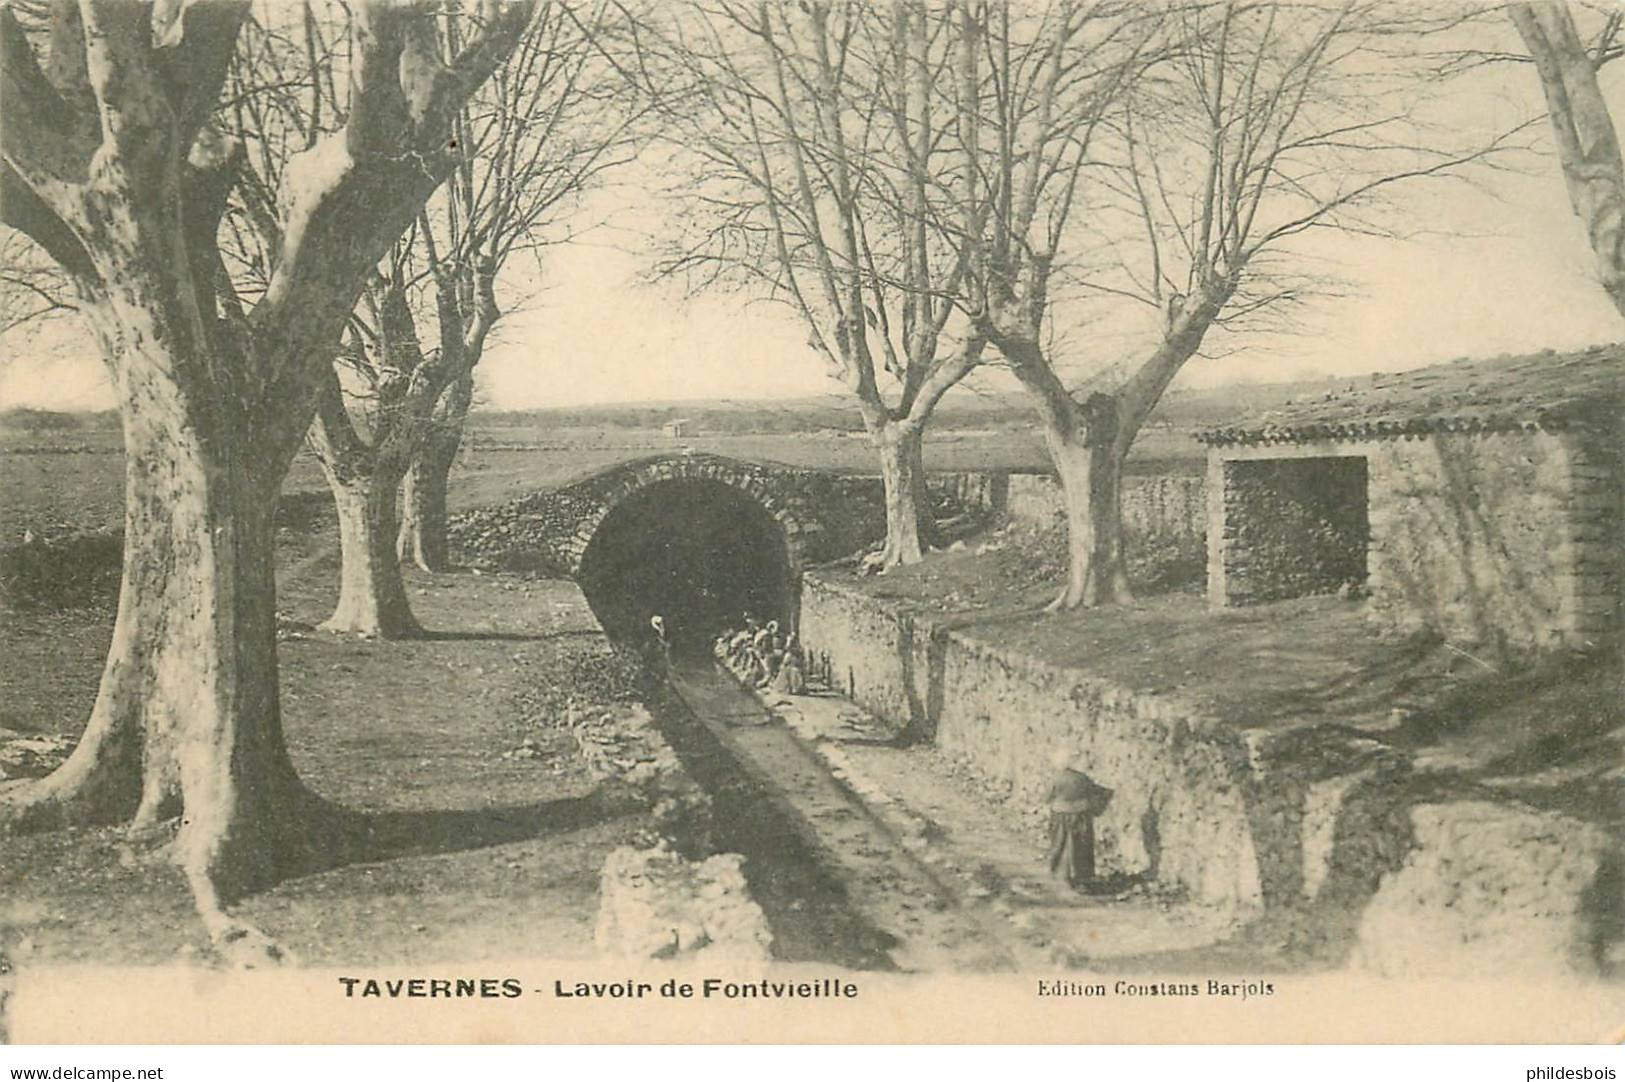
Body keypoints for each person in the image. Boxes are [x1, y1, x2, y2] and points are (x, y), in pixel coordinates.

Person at [1044, 750, 1112, 892]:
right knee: (1081, 846)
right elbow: (1096, 791)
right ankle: (1082, 877)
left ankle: (1061, 874)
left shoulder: (1056, 778)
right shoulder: (1082, 778)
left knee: (1060, 844)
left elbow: (1047, 797)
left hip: (1060, 816)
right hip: (1081, 815)